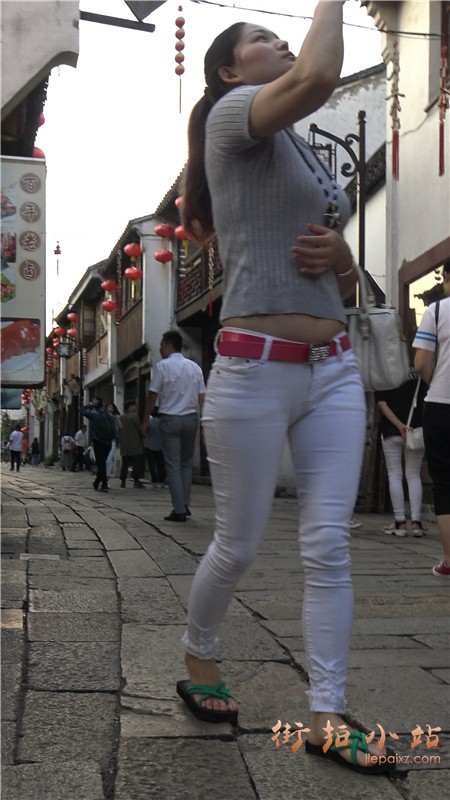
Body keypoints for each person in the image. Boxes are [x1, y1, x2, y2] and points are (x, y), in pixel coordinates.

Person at [174, 5, 393, 775]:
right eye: (263, 38)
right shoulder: (233, 117)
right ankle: (200, 658)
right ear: (230, 70)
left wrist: (340, 256)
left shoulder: (299, 144)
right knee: (238, 542)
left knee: (328, 544)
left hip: (333, 368)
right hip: (253, 368)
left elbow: (337, 276)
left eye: (278, 34)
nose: (282, 43)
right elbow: (321, 74)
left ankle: (328, 714)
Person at [141, 331, 206, 522]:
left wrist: (145, 420)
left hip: (170, 419)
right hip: (191, 419)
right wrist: (204, 421)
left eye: (162, 346)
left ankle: (178, 510)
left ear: (169, 345)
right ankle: (184, 504)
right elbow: (202, 396)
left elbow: (152, 395)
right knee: (186, 463)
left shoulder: (162, 367)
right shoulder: (194, 367)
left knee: (173, 465)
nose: (160, 349)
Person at [413, 259, 450, 576]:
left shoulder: (436, 311)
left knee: (445, 484)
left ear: (447, 277)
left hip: (441, 405)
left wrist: (436, 381)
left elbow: (421, 362)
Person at [375, 368, 427, 536]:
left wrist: (399, 426)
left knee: (394, 474)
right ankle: (417, 523)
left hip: (392, 431)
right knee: (414, 475)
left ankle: (400, 522)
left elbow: (382, 404)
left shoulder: (385, 371)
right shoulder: (420, 371)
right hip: (416, 431)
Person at [81, 397, 117, 492]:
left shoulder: (94, 414)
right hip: (108, 442)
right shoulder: (110, 416)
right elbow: (115, 430)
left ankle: (104, 484)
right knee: (102, 462)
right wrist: (116, 440)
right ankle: (97, 482)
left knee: (101, 463)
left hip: (98, 441)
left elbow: (82, 410)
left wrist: (90, 404)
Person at [119, 400, 145, 489]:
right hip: (135, 443)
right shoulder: (134, 416)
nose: (136, 407)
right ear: (130, 406)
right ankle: (136, 481)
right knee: (136, 463)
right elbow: (139, 428)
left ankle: (123, 481)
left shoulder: (121, 417)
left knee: (125, 464)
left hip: (124, 444)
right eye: (135, 406)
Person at [144, 408, 166, 488]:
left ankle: (154, 481)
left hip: (150, 445)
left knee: (152, 465)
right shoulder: (163, 423)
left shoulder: (149, 422)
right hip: (161, 446)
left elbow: (145, 432)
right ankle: (162, 481)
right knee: (161, 464)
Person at [105, 403, 121, 479]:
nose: (110, 409)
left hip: (112, 441)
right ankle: (104, 477)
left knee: (109, 459)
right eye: (109, 407)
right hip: (103, 440)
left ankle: (107, 476)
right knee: (105, 460)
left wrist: (118, 441)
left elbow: (118, 429)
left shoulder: (115, 417)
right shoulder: (103, 416)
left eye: (112, 407)